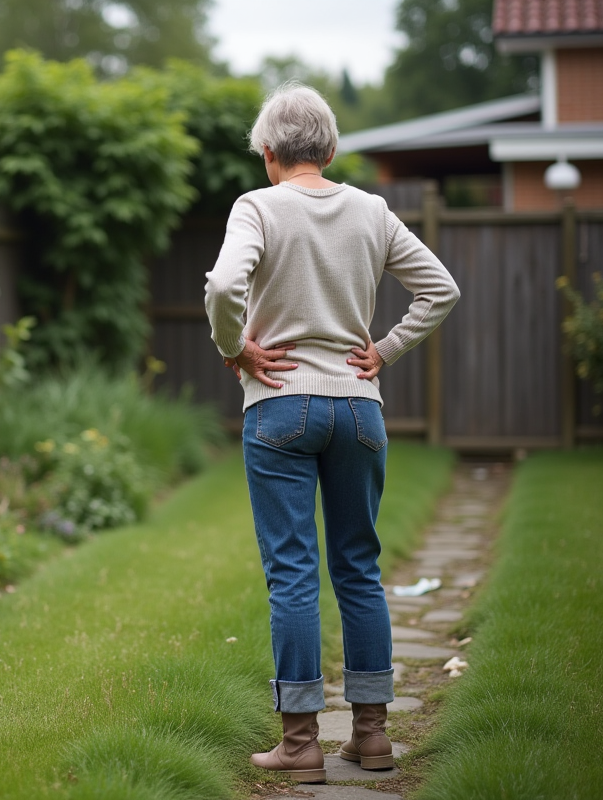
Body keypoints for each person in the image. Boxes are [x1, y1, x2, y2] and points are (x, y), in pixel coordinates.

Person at [203, 82, 459, 783]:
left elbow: (225, 288)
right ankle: (373, 736)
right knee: (359, 568)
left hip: (280, 407)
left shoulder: (257, 206)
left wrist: (236, 349)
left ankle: (300, 744)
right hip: (357, 408)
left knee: (293, 572)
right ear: (332, 148)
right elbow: (441, 288)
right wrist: (386, 349)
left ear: (268, 153)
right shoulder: (371, 209)